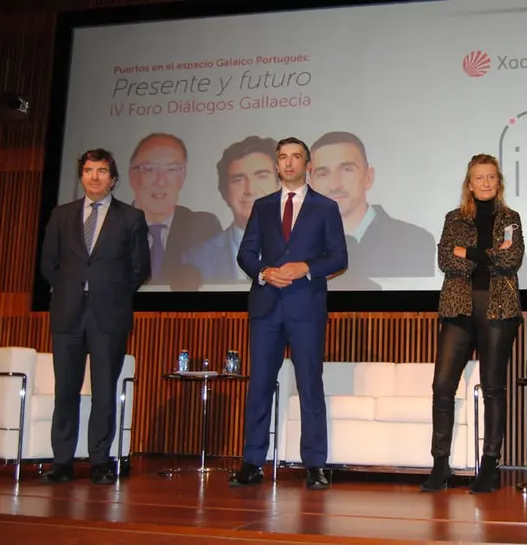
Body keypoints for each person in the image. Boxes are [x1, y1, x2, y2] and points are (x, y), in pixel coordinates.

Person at [229, 137, 348, 490]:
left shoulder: (325, 207)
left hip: (306, 307)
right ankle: (252, 462)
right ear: (277, 165)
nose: (289, 163)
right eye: (283, 157)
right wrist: (265, 272)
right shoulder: (263, 206)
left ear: (308, 165)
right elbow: (246, 254)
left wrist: (305, 267)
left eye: (296, 157)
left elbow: (339, 257)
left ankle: (315, 464)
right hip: (267, 307)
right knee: (260, 385)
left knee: (310, 385)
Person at [39, 148, 151, 484]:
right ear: (81, 175)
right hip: (68, 314)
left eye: (102, 171)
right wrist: (74, 288)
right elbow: (49, 264)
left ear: (113, 178)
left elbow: (139, 268)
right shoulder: (61, 215)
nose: (94, 177)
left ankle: (100, 459)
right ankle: (62, 460)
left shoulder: (130, 217)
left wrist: (109, 290)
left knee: (104, 390)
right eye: (88, 170)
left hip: (109, 314)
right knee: (66, 390)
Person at [421, 153, 523, 494]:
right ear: (469, 183)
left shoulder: (511, 218)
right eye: (479, 177)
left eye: (491, 177)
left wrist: (471, 252)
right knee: (442, 387)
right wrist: (485, 255)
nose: (486, 183)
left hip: (498, 308)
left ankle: (490, 466)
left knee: (493, 388)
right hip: (458, 308)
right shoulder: (454, 219)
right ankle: (440, 465)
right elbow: (446, 259)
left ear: (499, 182)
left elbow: (512, 259)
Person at [309, 131, 436, 284]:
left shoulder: (416, 240)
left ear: (368, 177)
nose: (335, 184)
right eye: (322, 174)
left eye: (347, 169)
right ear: (310, 183)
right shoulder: (300, 240)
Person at [127, 132, 222, 287]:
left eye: (171, 169)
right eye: (149, 169)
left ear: (183, 177)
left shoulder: (203, 227)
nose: (161, 181)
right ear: (133, 175)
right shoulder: (114, 227)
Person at [182, 136, 280, 284]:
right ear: (224, 192)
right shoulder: (195, 259)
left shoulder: (308, 248)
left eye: (261, 176)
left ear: (280, 185)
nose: (250, 190)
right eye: (238, 179)